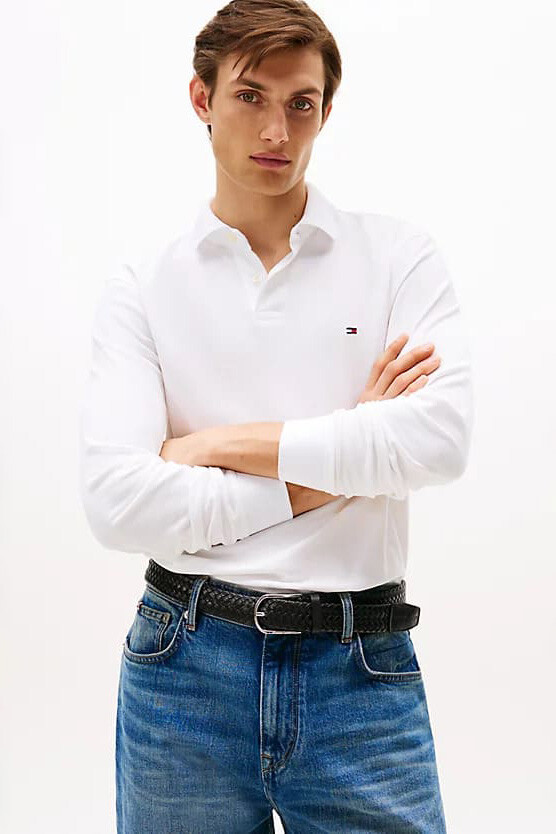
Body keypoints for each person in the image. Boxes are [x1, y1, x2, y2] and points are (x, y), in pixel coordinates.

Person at [78, 1, 473, 831]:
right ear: (202, 98)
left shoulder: (398, 257)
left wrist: (216, 445)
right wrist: (343, 462)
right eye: (250, 96)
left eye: (301, 104)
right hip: (184, 664)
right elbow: (118, 503)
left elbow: (436, 442)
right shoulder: (143, 286)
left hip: (360, 665)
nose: (276, 131)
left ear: (326, 110)